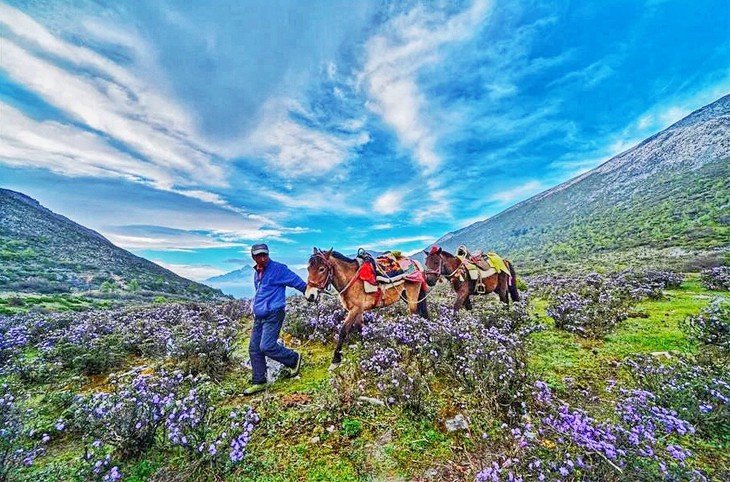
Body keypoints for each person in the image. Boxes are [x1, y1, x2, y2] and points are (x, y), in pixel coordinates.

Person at [244, 243, 306, 396]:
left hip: (274, 314)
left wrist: (309, 292)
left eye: (265, 254)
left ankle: (293, 359)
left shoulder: (278, 269)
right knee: (254, 349)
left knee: (266, 346)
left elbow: (297, 282)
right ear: (253, 257)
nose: (263, 258)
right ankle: (260, 381)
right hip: (259, 316)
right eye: (259, 255)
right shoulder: (257, 272)